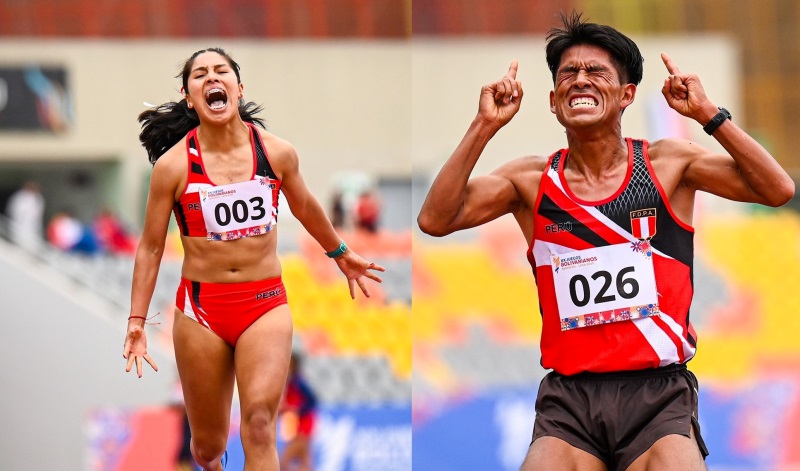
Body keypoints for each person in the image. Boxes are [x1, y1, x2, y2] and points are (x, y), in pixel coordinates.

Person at [417, 12, 794, 471]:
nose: (580, 80)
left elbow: (777, 190)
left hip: (657, 396)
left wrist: (708, 116)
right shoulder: (531, 180)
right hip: (569, 401)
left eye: (596, 72)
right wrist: (484, 127)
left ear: (626, 95)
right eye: (567, 75)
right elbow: (435, 220)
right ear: (554, 102)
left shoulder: (666, 165)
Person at [122, 47, 384, 471]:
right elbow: (151, 247)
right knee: (206, 447)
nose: (212, 78)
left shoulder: (277, 154)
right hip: (202, 310)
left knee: (261, 423)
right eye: (200, 74)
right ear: (190, 97)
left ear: (239, 88)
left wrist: (340, 252)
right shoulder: (173, 168)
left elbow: (305, 206)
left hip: (264, 304)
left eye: (221, 71)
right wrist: (136, 321)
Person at [278, 352, 318, 471]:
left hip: (302, 427)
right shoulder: (291, 381)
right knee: (305, 462)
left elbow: (312, 401)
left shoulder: (298, 382)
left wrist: (296, 410)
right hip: (298, 427)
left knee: (284, 462)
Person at [5, 180, 44, 251]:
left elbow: (38, 214)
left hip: (32, 227)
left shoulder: (38, 198)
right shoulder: (19, 197)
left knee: (32, 245)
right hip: (19, 226)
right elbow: (13, 211)